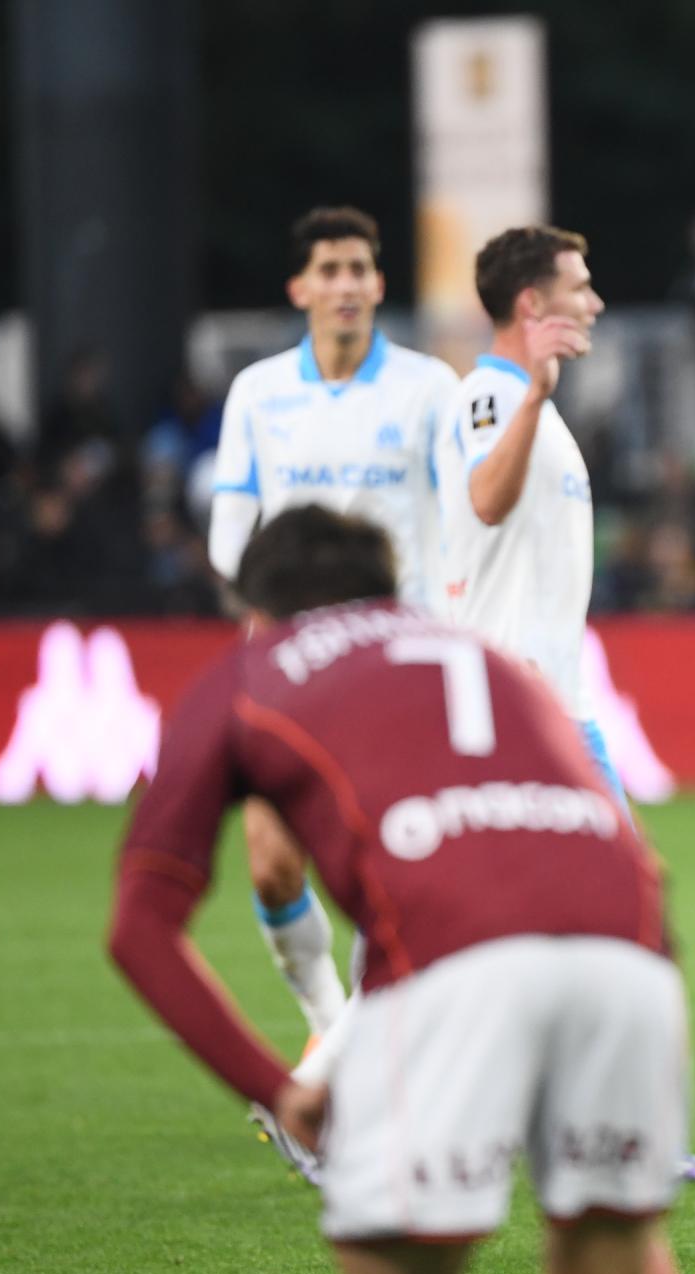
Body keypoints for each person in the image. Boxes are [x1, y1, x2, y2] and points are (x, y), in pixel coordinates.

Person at [108, 506, 693, 1274]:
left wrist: (276, 1087)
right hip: (629, 951)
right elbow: (645, 862)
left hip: (452, 966)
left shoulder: (250, 672)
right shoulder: (486, 655)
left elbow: (139, 925)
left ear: (259, 612)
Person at [434, 223, 695, 1186]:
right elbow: (485, 500)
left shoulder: (536, 406)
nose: (596, 301)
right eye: (580, 284)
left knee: (582, 917)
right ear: (533, 305)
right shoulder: (490, 395)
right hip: (515, 709)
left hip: (553, 706)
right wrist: (532, 393)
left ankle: (609, 1122)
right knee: (598, 911)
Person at [206, 206, 459, 1063]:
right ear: (300, 287)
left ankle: (339, 1061)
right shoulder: (259, 393)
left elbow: (460, 523)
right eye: (331, 269)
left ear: (380, 284)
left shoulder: (429, 388)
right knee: (273, 863)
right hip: (287, 657)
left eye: (360, 268)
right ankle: (329, 1018)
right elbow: (229, 526)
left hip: (395, 659)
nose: (347, 284)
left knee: (376, 867)